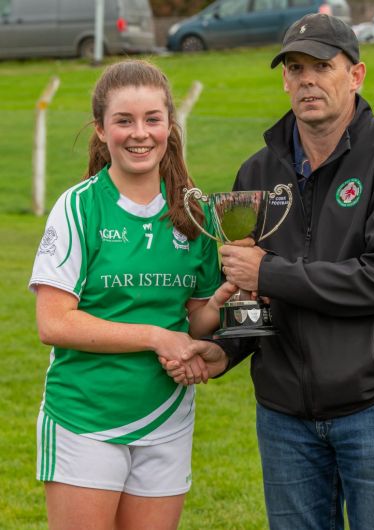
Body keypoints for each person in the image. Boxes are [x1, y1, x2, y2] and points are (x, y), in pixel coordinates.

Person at [163, 14, 374, 530]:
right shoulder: (258, 172)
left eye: (321, 66)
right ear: (284, 79)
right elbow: (254, 293)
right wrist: (224, 350)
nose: (307, 79)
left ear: (354, 76)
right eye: (295, 67)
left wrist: (271, 273)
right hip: (285, 416)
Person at [29, 59, 235, 530]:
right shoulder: (79, 207)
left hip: (167, 418)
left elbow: (196, 320)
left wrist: (221, 305)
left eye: (152, 119)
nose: (139, 133)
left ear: (169, 126)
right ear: (101, 130)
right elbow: (54, 323)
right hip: (85, 417)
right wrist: (155, 337)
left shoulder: (194, 212)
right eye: (124, 120)